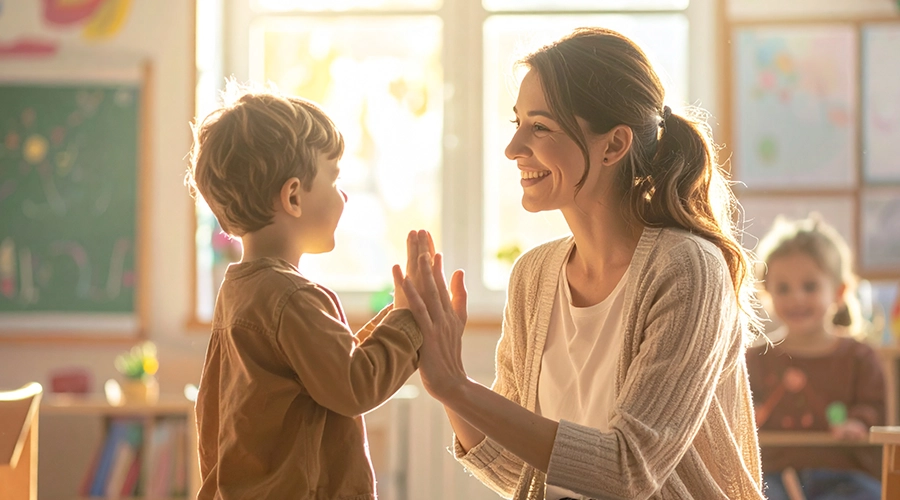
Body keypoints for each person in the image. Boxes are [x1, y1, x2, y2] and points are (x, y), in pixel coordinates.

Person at [394, 27, 766, 499]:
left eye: (541, 127)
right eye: (518, 124)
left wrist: (457, 386)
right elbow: (519, 470)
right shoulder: (532, 276)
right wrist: (443, 377)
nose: (513, 149)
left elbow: (626, 471)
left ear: (613, 145)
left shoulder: (689, 268)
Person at [185, 83, 424, 499]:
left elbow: (330, 367)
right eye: (334, 179)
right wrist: (409, 321)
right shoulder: (291, 297)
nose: (344, 194)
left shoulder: (241, 290)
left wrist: (395, 314)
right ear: (293, 196)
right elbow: (354, 384)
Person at [746, 215, 885, 500]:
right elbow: (737, 415)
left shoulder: (860, 356)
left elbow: (875, 409)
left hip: (846, 476)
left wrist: (857, 422)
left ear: (839, 292)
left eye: (809, 287)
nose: (796, 298)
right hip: (770, 475)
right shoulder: (754, 358)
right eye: (783, 288)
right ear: (767, 293)